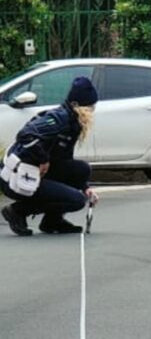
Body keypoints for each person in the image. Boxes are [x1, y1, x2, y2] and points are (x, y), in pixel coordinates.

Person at [1, 77, 100, 236]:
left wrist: (85, 187)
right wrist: (43, 159)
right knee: (76, 201)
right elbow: (25, 135)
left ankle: (52, 221)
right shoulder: (58, 118)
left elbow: (65, 160)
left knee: (82, 170)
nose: (92, 111)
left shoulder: (73, 123)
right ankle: (17, 211)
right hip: (18, 177)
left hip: (38, 171)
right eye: (90, 107)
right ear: (78, 105)